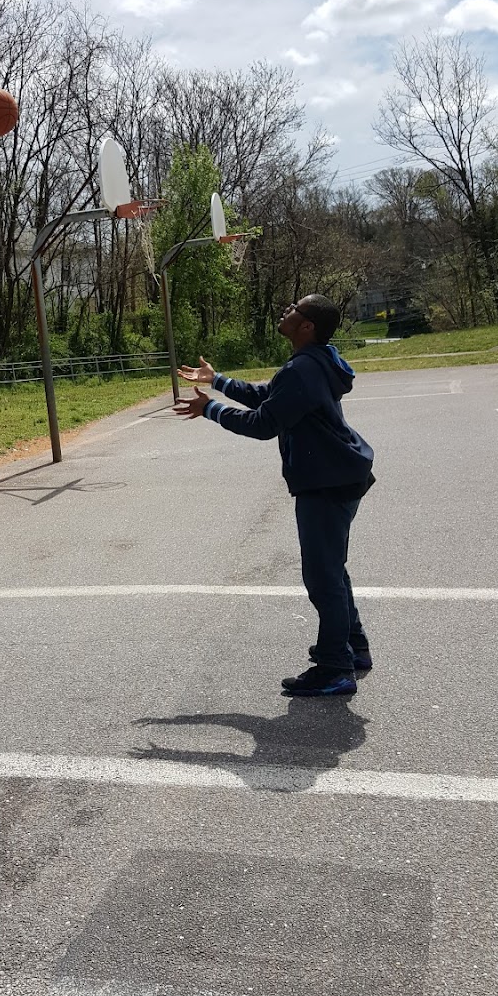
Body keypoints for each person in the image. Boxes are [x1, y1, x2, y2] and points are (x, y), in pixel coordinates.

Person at [175, 294, 375, 698]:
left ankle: (335, 668)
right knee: (331, 570)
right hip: (338, 474)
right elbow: (271, 397)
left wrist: (211, 409)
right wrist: (218, 380)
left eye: (294, 310)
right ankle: (353, 648)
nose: (286, 311)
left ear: (308, 326)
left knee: (323, 578)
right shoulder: (315, 362)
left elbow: (264, 423)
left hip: (326, 480)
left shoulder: (303, 368)